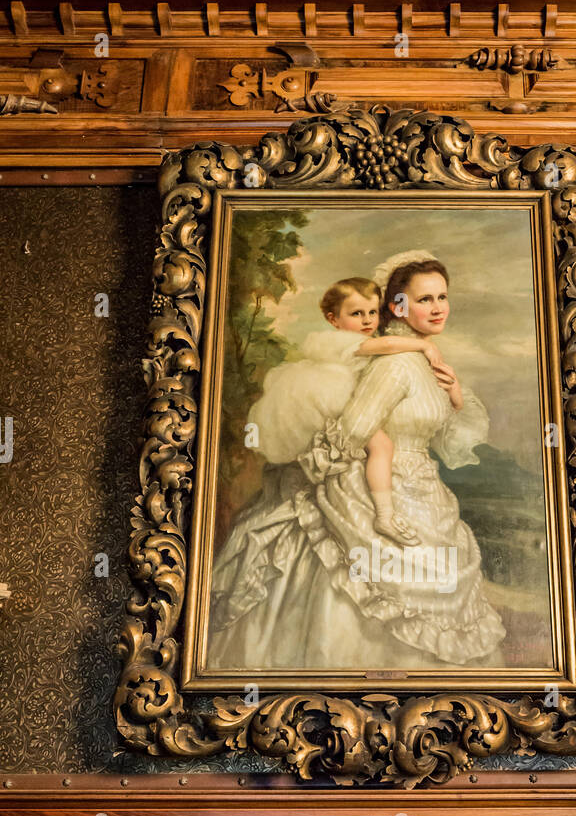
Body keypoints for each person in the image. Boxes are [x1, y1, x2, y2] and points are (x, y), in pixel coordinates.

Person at [209, 250, 506, 670]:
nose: (437, 307)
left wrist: (454, 392)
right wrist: (318, 475)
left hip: (423, 487)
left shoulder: (426, 362)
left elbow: (446, 443)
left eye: (442, 297)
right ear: (398, 307)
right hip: (371, 487)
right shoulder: (398, 362)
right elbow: (356, 428)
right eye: (425, 299)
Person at [247, 273, 455, 544]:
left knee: (377, 446)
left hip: (342, 397)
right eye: (356, 313)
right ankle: (385, 516)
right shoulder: (342, 341)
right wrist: (422, 345)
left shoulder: (367, 340)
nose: (367, 320)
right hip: (329, 398)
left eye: (372, 312)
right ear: (334, 319)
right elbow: (388, 344)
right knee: (383, 447)